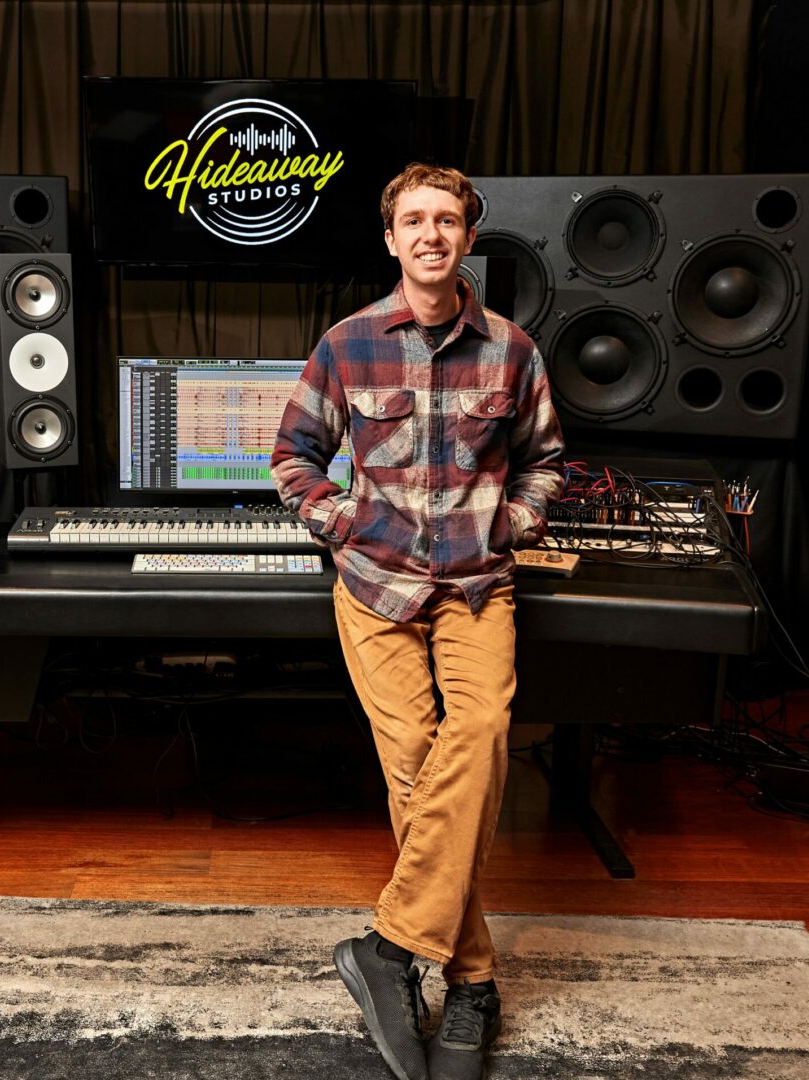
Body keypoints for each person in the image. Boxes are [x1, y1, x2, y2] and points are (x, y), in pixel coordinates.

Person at [271, 163, 565, 1080]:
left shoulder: (513, 350)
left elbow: (544, 462)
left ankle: (390, 948)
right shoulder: (346, 344)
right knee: (414, 764)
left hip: (477, 584)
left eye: (447, 220)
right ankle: (473, 980)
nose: (431, 234)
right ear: (391, 239)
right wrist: (345, 522)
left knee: (478, 738)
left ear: (468, 237)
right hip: (378, 587)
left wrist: (510, 523)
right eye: (414, 221)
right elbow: (294, 455)